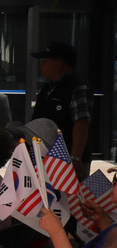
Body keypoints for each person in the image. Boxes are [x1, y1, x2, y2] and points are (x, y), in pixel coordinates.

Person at [31, 41, 92, 172]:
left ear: (59, 64)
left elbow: (81, 123)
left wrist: (75, 157)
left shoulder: (77, 87)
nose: (41, 65)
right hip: (45, 157)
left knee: (70, 192)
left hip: (66, 161)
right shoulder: (48, 87)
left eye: (44, 60)